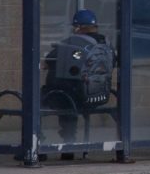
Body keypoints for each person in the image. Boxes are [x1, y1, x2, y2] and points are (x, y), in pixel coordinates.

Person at [42, 9, 110, 146]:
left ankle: (36, 145)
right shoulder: (105, 44)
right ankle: (69, 143)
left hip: (70, 96)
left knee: (34, 101)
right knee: (67, 98)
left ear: (78, 27)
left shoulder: (74, 43)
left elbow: (49, 60)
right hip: (98, 96)